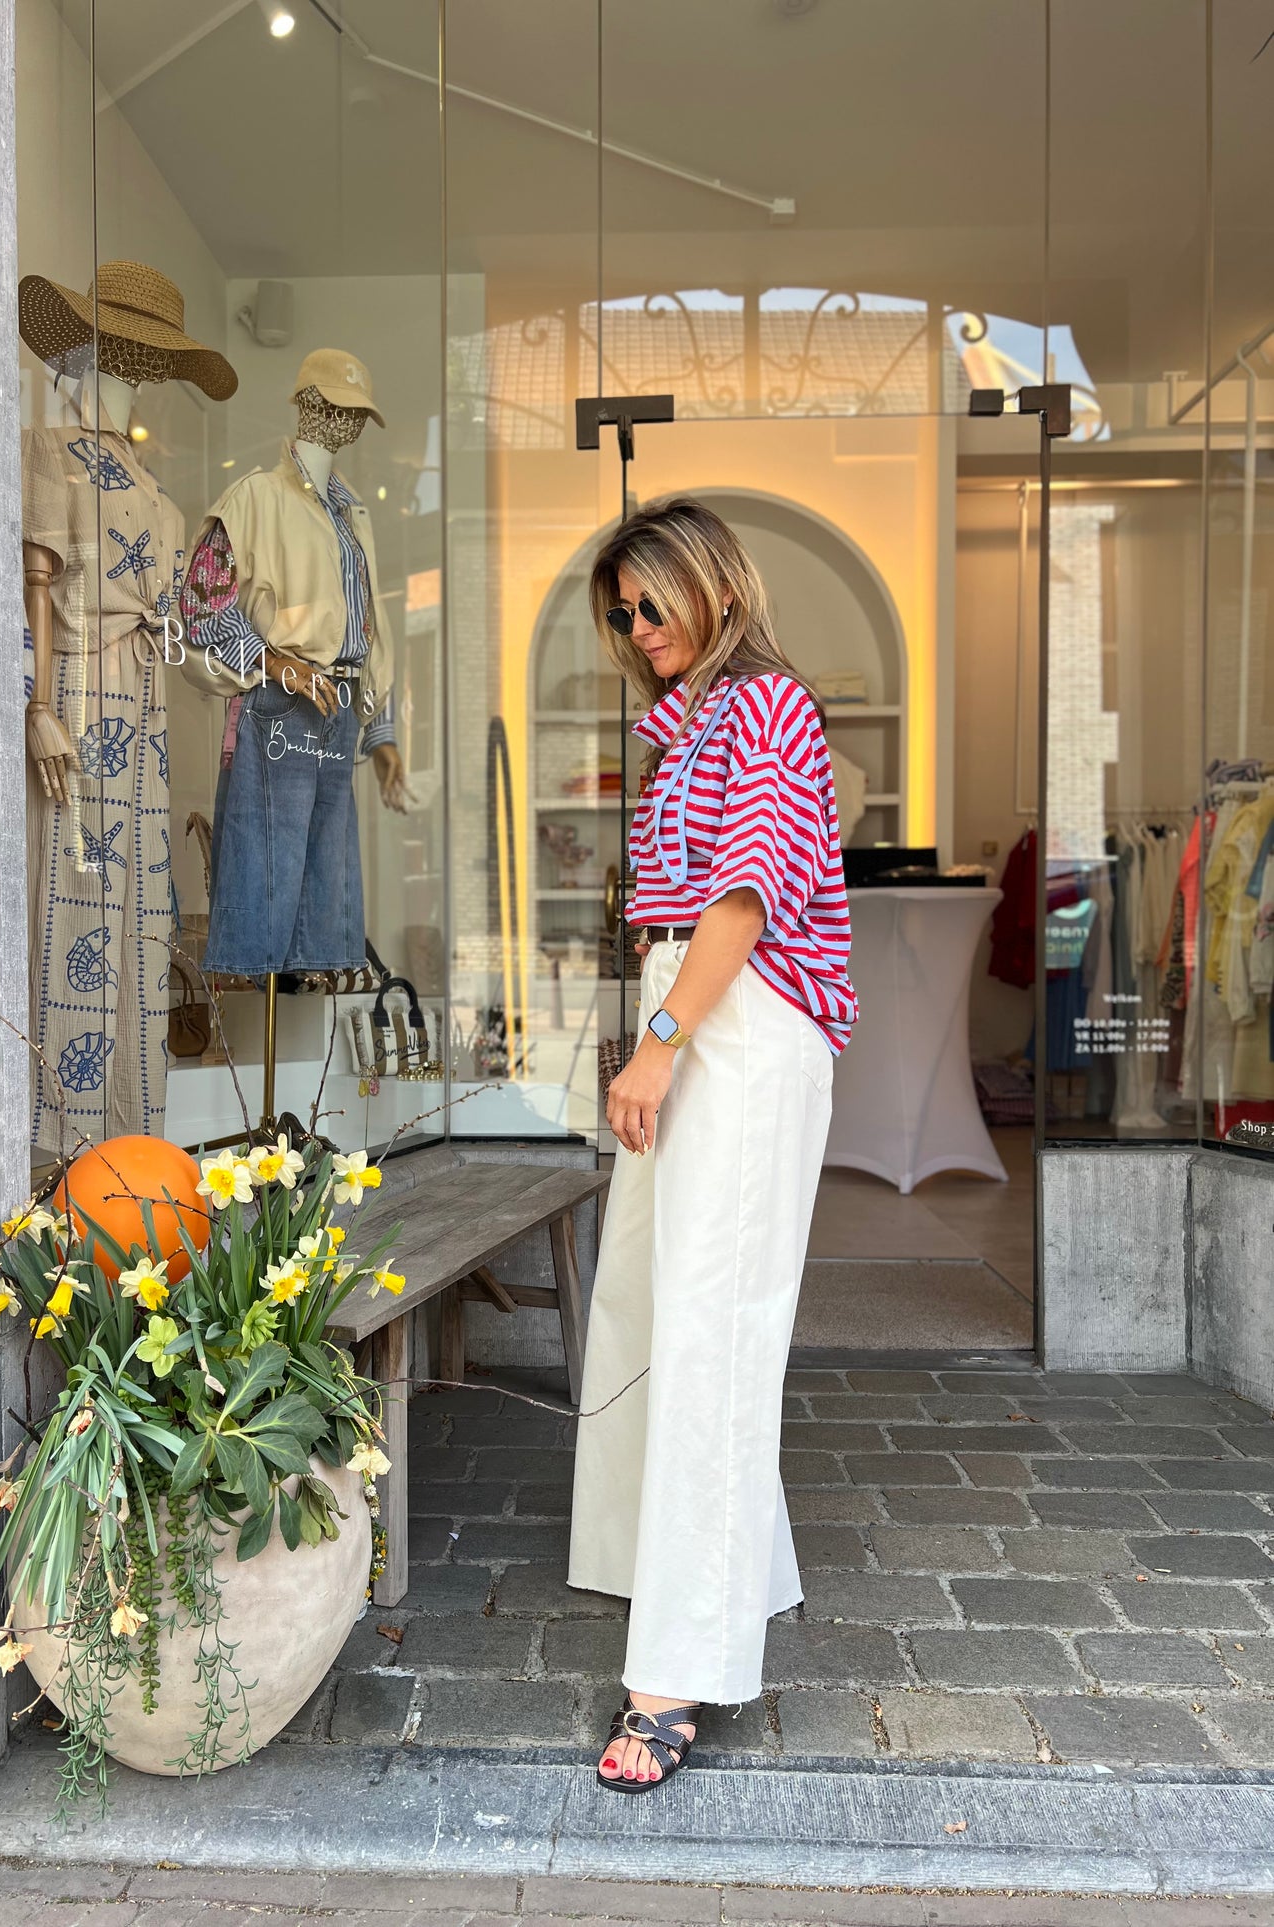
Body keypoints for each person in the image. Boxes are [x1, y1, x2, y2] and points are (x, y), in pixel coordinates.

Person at [567, 496, 858, 1792]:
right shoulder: (683, 723)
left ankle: (674, 1673)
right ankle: (713, 1573)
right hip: (692, 1013)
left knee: (707, 1333)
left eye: (651, 602)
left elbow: (742, 894)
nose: (636, 629)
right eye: (620, 614)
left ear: (713, 587)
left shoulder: (765, 707)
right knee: (652, 1315)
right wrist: (657, 1025)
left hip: (737, 1026)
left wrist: (661, 1040)